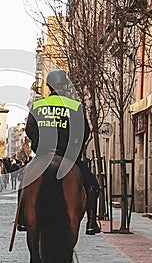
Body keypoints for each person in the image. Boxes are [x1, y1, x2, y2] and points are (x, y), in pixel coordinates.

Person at [25, 69, 101, 235]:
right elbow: (85, 132)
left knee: (24, 183)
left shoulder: (38, 106)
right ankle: (92, 222)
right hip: (68, 157)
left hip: (43, 156)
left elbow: (29, 129)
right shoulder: (74, 106)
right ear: (65, 85)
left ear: (48, 86)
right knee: (92, 185)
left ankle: (23, 220)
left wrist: (38, 146)